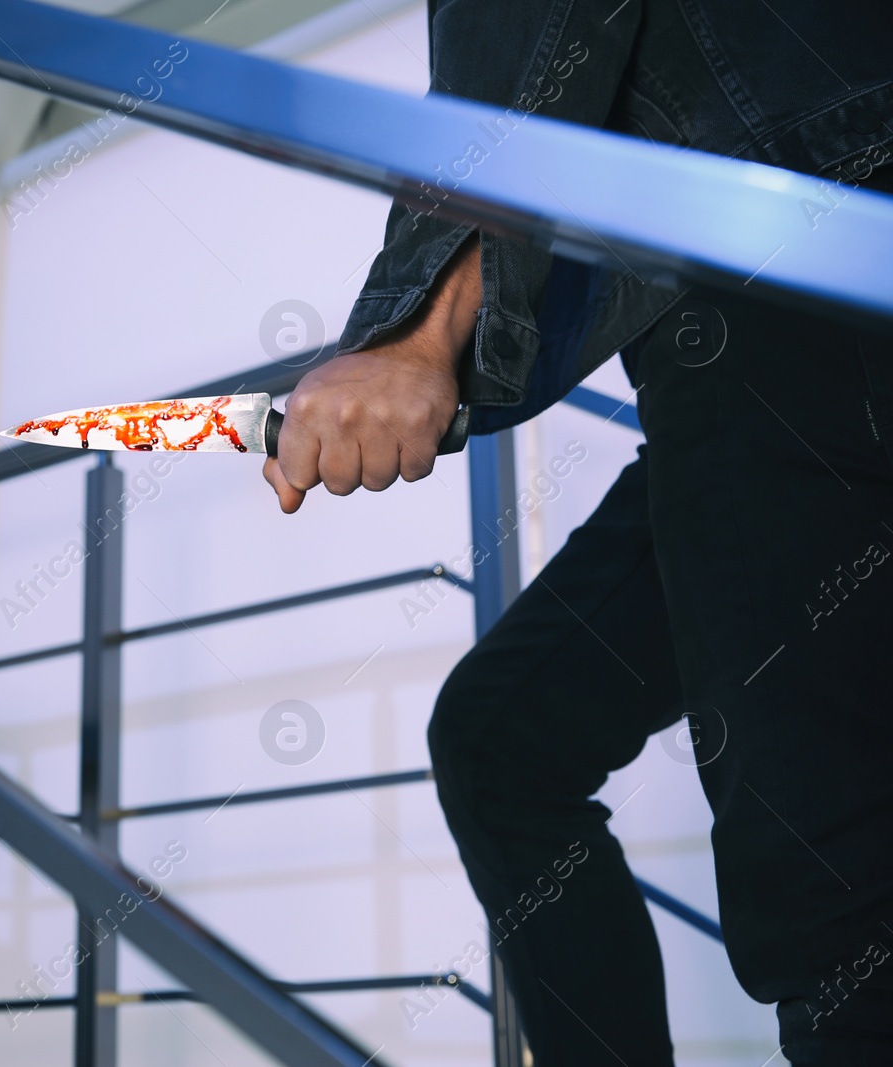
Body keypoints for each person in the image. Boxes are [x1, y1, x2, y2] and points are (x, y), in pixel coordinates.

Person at [263, 2, 893, 1064]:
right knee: (503, 739)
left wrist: (413, 330)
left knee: (840, 922)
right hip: (775, 280)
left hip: (789, 268)